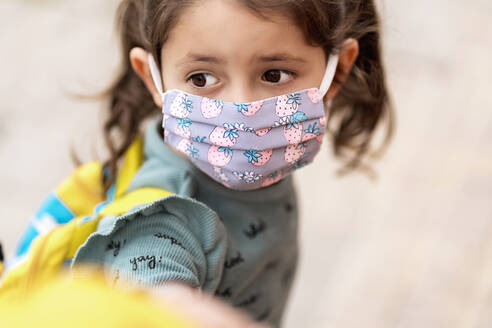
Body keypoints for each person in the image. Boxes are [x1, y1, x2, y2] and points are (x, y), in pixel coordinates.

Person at [3, 0, 393, 327]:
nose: (241, 108)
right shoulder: (164, 216)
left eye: (274, 75)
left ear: (337, 70)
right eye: (202, 78)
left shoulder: (261, 167)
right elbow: (151, 294)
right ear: (153, 79)